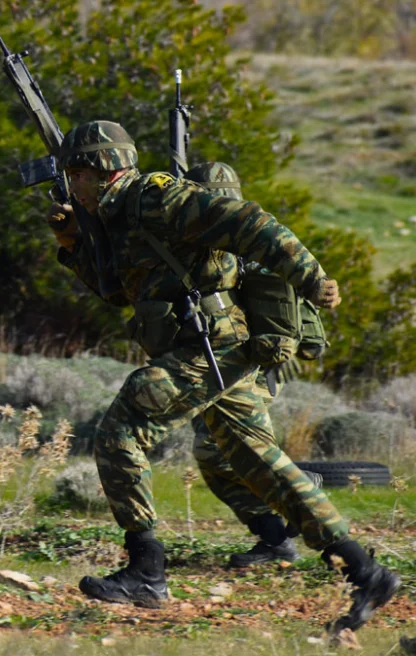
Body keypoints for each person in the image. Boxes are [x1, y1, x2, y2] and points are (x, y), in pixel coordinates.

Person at [45, 121, 399, 632]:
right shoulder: (117, 218)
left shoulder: (153, 198)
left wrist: (311, 275)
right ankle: (367, 572)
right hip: (206, 348)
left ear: (103, 170)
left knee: (122, 430)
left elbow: (247, 221)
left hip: (212, 346)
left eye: (75, 175)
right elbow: (118, 292)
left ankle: (146, 571)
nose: (71, 187)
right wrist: (72, 243)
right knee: (261, 465)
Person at [182, 162, 301, 567]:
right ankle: (276, 535)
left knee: (222, 450)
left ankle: (300, 505)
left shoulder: (242, 235)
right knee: (213, 454)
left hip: (251, 362)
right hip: (222, 360)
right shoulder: (215, 234)